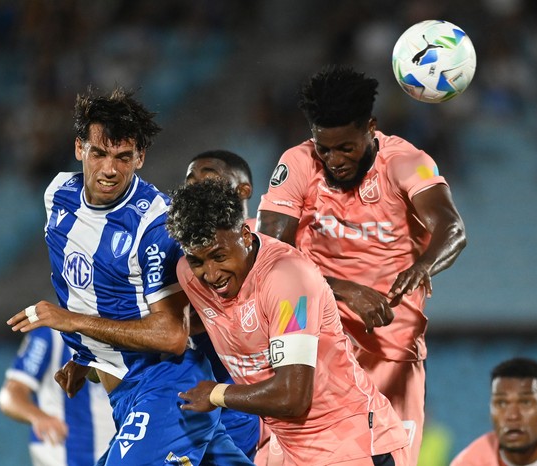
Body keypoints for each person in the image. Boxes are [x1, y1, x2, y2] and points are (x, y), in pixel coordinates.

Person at [6, 87, 253, 466]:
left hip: (168, 386)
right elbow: (100, 291)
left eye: (123, 157)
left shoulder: (155, 224)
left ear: (140, 157)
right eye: (99, 153)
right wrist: (87, 356)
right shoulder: (57, 195)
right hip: (125, 393)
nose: (109, 169)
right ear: (79, 149)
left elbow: (171, 336)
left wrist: (70, 322)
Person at [256, 65, 467, 463]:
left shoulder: (407, 163)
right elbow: (269, 252)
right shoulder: (298, 163)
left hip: (392, 350)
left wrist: (422, 267)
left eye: (345, 147)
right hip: (317, 343)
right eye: (324, 147)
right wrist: (345, 290)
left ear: (371, 127)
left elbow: (452, 228)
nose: (333, 159)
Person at [166, 178, 411, 466]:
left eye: (219, 256)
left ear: (245, 235)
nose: (211, 273)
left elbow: (292, 397)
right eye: (198, 261)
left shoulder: (286, 279)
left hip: (354, 444)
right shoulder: (190, 276)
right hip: (294, 452)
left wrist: (216, 393)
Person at [185, 149, 261, 460]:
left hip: (238, 401)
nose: (197, 188)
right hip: (193, 394)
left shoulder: (267, 242)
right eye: (191, 181)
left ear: (243, 191)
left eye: (209, 180)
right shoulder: (181, 249)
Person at [0, 327, 115, 466]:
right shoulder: (49, 333)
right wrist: (39, 417)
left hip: (116, 451)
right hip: (60, 454)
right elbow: (10, 394)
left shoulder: (130, 328)